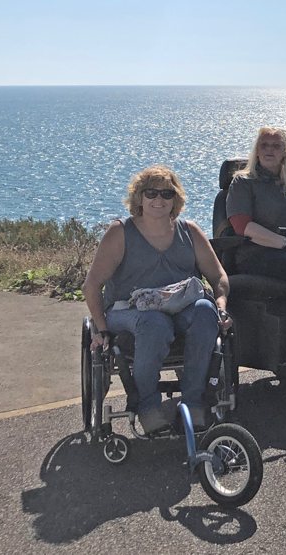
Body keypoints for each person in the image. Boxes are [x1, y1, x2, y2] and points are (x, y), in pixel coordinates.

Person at [83, 165, 232, 433]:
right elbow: (92, 285)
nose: (158, 200)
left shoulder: (190, 232)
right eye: (151, 193)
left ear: (175, 198)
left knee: (204, 312)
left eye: (166, 193)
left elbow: (218, 276)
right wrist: (101, 328)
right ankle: (148, 406)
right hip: (126, 311)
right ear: (139, 197)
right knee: (155, 323)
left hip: (181, 305)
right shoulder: (120, 233)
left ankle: (194, 401)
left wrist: (220, 305)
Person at [225, 126, 286, 284]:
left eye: (276, 146)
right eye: (264, 145)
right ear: (257, 151)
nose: (269, 150)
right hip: (260, 255)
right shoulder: (243, 182)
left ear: (285, 152)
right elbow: (242, 226)